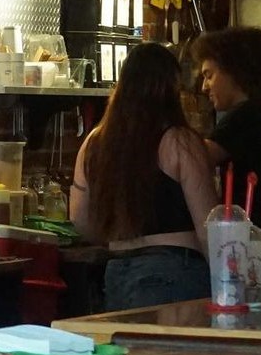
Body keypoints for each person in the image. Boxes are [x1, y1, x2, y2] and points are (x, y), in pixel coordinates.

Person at [71, 43, 218, 311]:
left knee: (132, 353)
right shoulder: (180, 142)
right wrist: (229, 285)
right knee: (178, 354)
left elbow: (80, 220)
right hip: (175, 272)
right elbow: (209, 227)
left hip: (117, 273)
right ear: (171, 88)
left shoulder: (94, 143)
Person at [192, 26, 261, 237]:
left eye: (209, 75)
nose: (204, 87)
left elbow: (192, 160)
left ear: (235, 72)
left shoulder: (247, 116)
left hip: (253, 240)